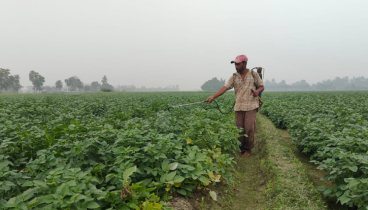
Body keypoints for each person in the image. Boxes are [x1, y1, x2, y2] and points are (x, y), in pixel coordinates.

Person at [206, 55, 264, 157]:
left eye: (238, 64)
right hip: (239, 107)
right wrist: (213, 97)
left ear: (245, 64)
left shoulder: (253, 74)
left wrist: (257, 91)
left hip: (251, 106)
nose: (236, 66)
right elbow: (225, 87)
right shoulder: (234, 76)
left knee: (249, 128)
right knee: (239, 129)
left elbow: (261, 86)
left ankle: (248, 149)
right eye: (235, 64)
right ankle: (240, 148)